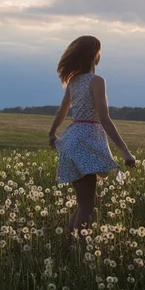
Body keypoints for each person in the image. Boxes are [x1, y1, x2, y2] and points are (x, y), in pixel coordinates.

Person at [48, 35, 136, 253]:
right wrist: (125, 152)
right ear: (95, 55)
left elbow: (62, 111)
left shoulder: (74, 82)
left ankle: (67, 248)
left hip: (72, 139)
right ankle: (78, 250)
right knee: (87, 205)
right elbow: (104, 118)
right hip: (87, 140)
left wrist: (51, 133)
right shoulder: (97, 81)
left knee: (85, 201)